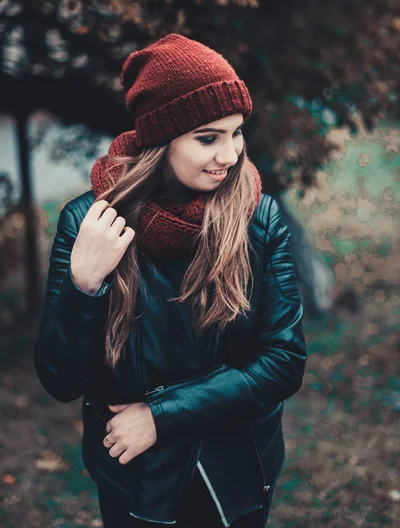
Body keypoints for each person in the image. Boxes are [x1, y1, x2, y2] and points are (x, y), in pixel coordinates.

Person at [34, 33, 307, 528]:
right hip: (136, 478)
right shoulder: (90, 221)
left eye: (237, 132)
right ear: (161, 137)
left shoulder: (258, 217)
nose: (230, 155)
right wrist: (85, 285)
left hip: (236, 467)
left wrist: (161, 414)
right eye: (208, 137)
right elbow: (60, 379)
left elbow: (284, 361)